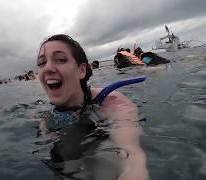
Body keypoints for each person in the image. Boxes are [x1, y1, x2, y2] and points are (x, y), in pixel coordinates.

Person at [36, 34, 148, 180]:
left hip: (103, 139)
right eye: (41, 62)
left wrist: (133, 169)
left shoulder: (113, 102)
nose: (48, 68)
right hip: (72, 143)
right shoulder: (46, 118)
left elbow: (131, 154)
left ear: (81, 70)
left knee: (106, 166)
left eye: (60, 59)